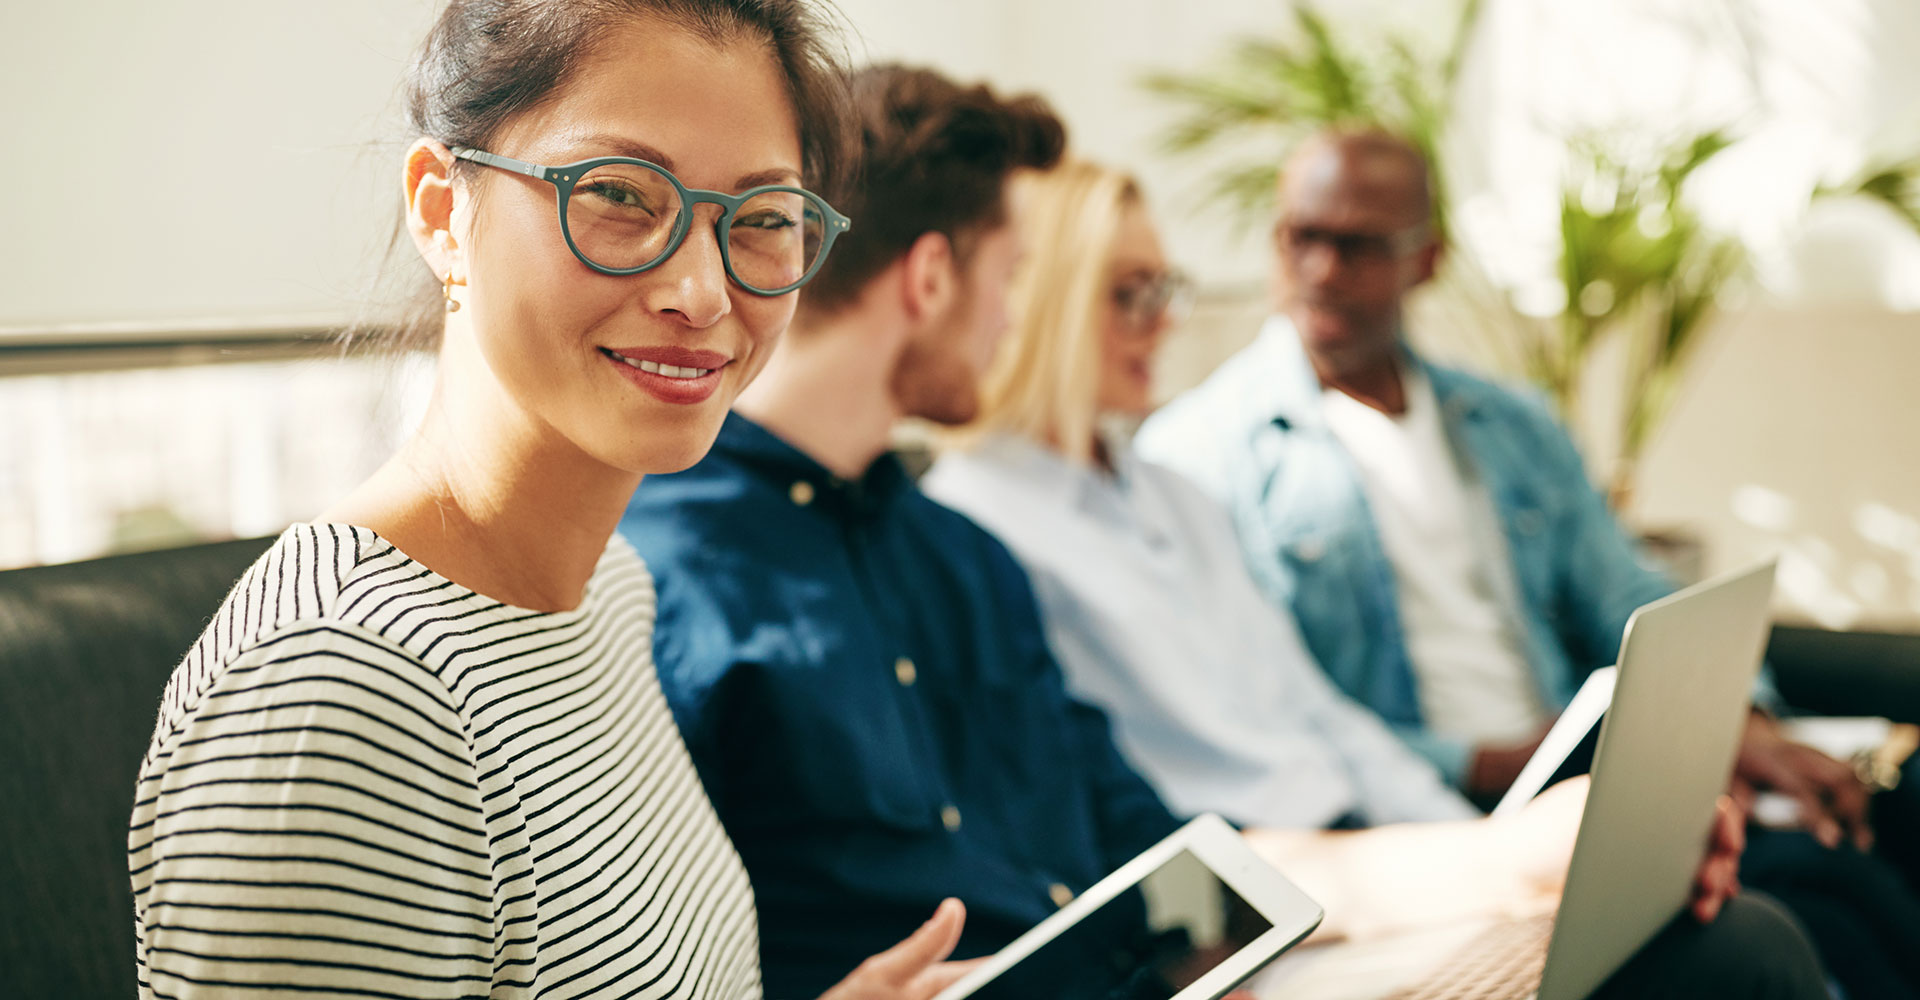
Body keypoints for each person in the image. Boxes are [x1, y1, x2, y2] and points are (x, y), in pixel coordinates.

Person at [620, 76, 1820, 999]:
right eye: (1014, 277)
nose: (1015, 319)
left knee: (1722, 929)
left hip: (1177, 961)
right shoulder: (664, 571)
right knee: (1736, 953)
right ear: (935, 278)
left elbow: (1176, 856)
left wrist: (1506, 860)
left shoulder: (958, 562)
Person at [127, 3, 978, 998]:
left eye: (760, 220)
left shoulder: (607, 591)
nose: (702, 291)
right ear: (445, 212)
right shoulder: (338, 697)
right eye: (619, 193)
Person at [1135, 127, 1920, 999]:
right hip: (1435, 818)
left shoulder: (1508, 425)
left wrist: (1740, 719)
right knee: (1776, 917)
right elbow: (1271, 719)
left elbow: (1625, 591)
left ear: (1424, 258)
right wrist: (1487, 762)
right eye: (1299, 238)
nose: (1321, 269)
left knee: (1864, 846)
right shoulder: (1197, 460)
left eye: (1356, 245)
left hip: (1577, 760)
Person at [924, 160, 1479, 832]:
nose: (1164, 324)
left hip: (1350, 839)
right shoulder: (972, 523)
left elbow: (1317, 710)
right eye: (1132, 295)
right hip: (1245, 876)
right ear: (1047, 304)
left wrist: (1461, 834)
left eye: (1164, 290)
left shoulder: (1174, 494)